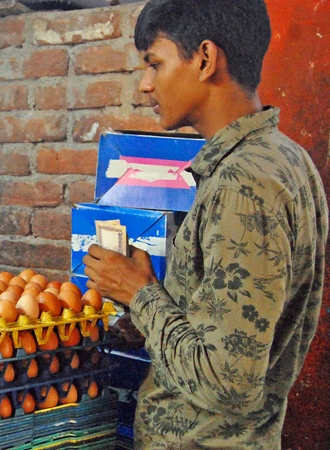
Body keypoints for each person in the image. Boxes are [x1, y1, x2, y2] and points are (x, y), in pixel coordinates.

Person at [82, 0, 328, 448]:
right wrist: (150, 315)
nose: (145, 85)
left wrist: (140, 294)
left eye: (155, 63)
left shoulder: (244, 184)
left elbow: (225, 382)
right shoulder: (287, 159)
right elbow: (235, 329)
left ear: (206, 59)